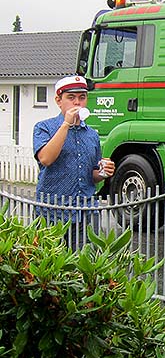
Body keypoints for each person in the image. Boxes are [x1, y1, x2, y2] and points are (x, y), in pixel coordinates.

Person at [33, 75, 116, 246]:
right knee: (50, 265)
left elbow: (90, 174)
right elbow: (46, 159)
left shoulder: (92, 135)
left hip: (86, 212)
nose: (77, 103)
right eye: (71, 97)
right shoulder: (44, 128)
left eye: (82, 97)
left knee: (84, 265)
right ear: (59, 100)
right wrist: (66, 125)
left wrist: (103, 172)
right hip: (53, 211)